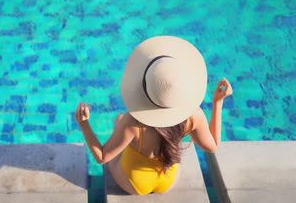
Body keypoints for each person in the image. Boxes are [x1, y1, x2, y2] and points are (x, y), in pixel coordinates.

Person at [75, 36, 233, 195]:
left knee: (119, 121)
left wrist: (84, 124)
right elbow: (213, 146)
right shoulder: (195, 115)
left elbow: (102, 157)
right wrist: (218, 102)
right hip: (167, 180)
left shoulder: (132, 122)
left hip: (134, 182)